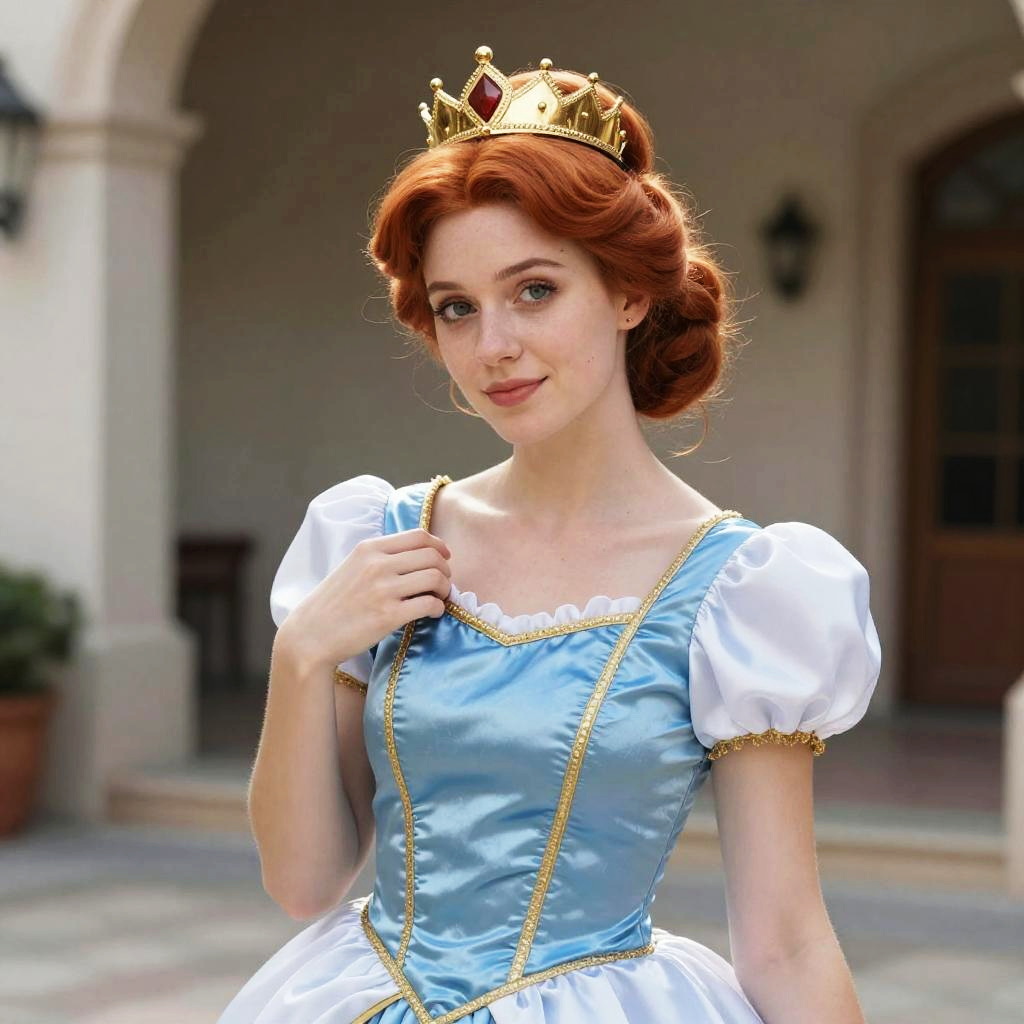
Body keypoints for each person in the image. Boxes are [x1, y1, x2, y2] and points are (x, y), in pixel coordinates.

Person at [216, 44, 881, 1024]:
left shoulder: (742, 592)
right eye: (457, 308)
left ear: (625, 294)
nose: (495, 347)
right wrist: (302, 650)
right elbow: (304, 884)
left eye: (534, 290)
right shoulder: (382, 540)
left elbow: (783, 939)